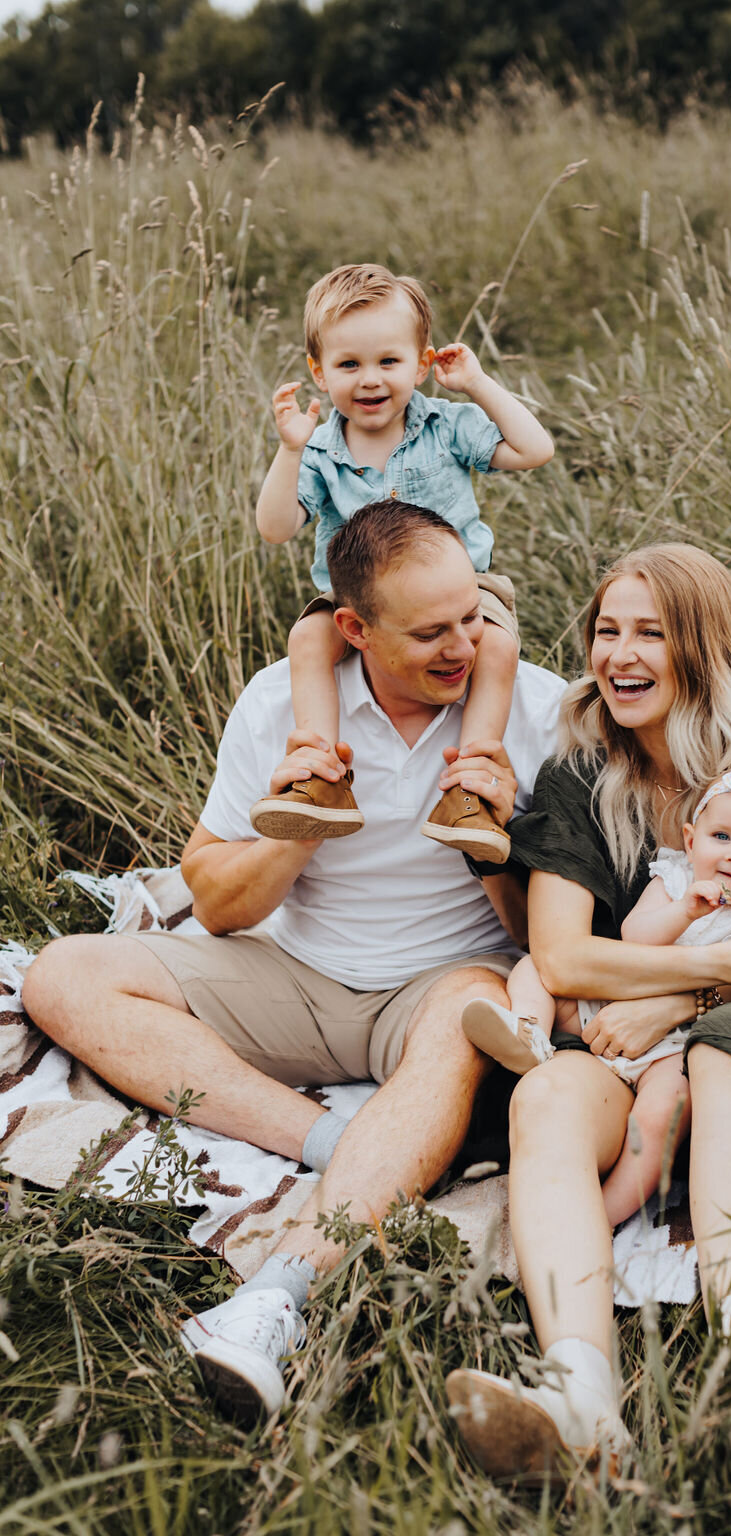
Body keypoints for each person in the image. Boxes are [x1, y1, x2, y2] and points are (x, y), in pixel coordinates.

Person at [22, 500, 566, 1424]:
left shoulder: (538, 709)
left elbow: (544, 937)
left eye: (473, 618)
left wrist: (496, 845)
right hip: (299, 977)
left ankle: (275, 1299)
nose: (462, 648)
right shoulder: (283, 700)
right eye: (430, 632)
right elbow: (216, 900)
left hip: (444, 985)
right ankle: (341, 1148)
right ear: (353, 629)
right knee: (60, 975)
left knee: (471, 1014)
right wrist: (295, 833)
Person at [445, 543, 731, 1482]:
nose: (620, 653)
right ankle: (581, 1395)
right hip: (622, 1050)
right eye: (607, 631)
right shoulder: (577, 775)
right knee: (549, 1096)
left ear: (704, 647)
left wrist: (688, 994)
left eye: (651, 632)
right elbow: (559, 955)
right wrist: (670, 996)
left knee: (723, 1044)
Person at [461, 768, 731, 1228]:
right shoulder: (674, 879)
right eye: (722, 836)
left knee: (664, 1114)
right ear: (692, 841)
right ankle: (527, 1030)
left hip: (679, 1042)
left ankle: (606, 1215)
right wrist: (684, 910)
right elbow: (636, 935)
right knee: (535, 967)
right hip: (612, 1009)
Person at [251, 262, 554, 863]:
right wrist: (289, 452)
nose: (370, 380)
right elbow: (276, 528)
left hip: (461, 596)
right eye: (348, 365)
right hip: (358, 604)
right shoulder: (318, 449)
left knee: (495, 645)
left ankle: (470, 788)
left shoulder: (445, 428)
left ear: (421, 364)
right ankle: (319, 774)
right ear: (319, 371)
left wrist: (478, 383)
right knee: (308, 637)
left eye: (389, 362)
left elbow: (534, 449)